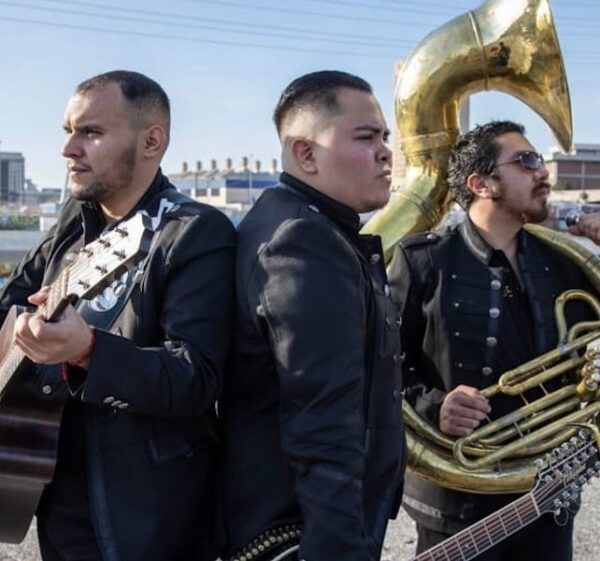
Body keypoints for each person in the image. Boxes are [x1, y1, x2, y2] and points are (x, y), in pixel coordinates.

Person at [1, 70, 236, 561]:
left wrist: (87, 350)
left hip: (141, 515)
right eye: (68, 131)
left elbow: (197, 378)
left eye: (91, 132)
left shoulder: (194, 233)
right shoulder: (74, 219)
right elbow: (13, 302)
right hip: (52, 488)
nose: (69, 149)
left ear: (153, 141)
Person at [219, 70, 405, 561]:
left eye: (385, 137)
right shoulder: (303, 240)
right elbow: (321, 417)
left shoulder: (301, 222)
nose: (386, 152)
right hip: (302, 535)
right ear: (306, 154)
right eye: (366, 137)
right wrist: (340, 550)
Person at [388, 120, 595, 561]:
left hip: (548, 490)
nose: (543, 172)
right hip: (457, 503)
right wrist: (434, 406)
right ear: (481, 183)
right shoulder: (423, 261)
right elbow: (380, 368)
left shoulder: (566, 261)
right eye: (527, 161)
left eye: (539, 160)